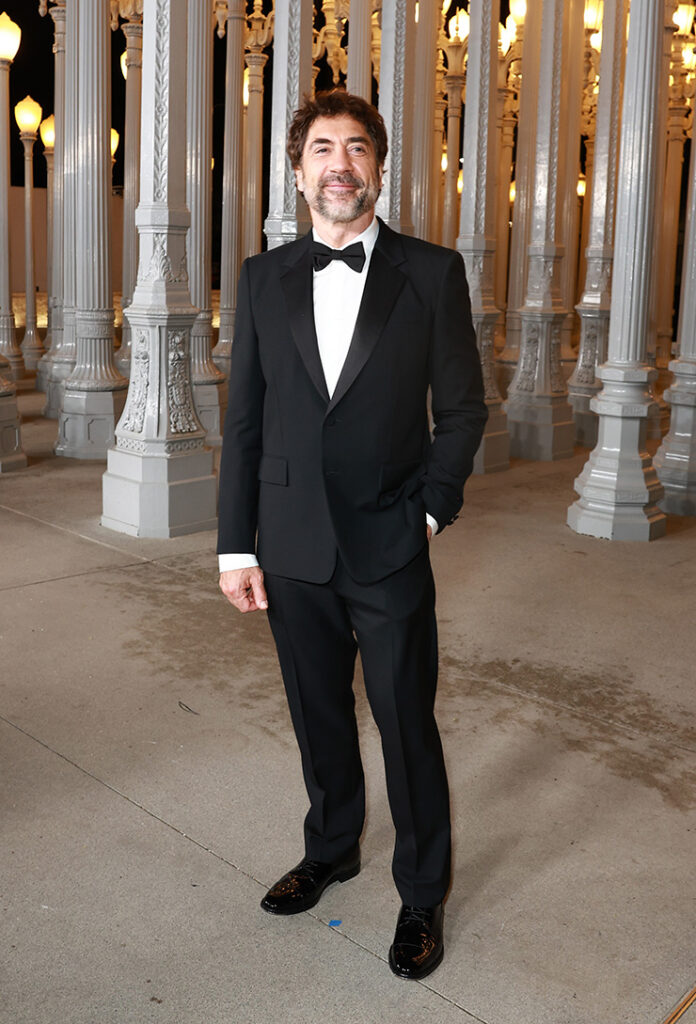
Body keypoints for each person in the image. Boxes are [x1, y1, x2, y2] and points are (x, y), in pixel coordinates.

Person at [218, 89, 487, 981]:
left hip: (391, 544)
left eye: (358, 147)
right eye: (323, 148)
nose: (341, 162)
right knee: (317, 713)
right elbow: (245, 424)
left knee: (407, 722)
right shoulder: (261, 279)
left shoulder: (432, 272)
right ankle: (332, 847)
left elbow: (461, 411)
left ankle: (421, 892)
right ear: (298, 173)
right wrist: (235, 546)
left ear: (378, 166)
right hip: (290, 547)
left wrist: (428, 510)